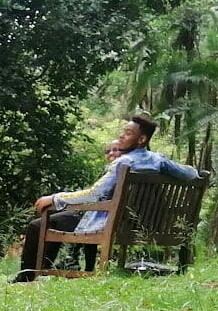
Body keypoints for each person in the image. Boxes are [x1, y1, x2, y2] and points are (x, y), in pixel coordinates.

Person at [13, 114, 198, 283]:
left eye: (127, 133)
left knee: (38, 225)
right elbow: (191, 175)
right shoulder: (159, 160)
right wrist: (197, 173)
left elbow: (94, 193)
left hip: (107, 221)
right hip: (139, 223)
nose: (122, 136)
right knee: (58, 220)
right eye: (122, 132)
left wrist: (55, 198)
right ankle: (41, 271)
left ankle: (27, 277)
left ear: (142, 139)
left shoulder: (123, 163)